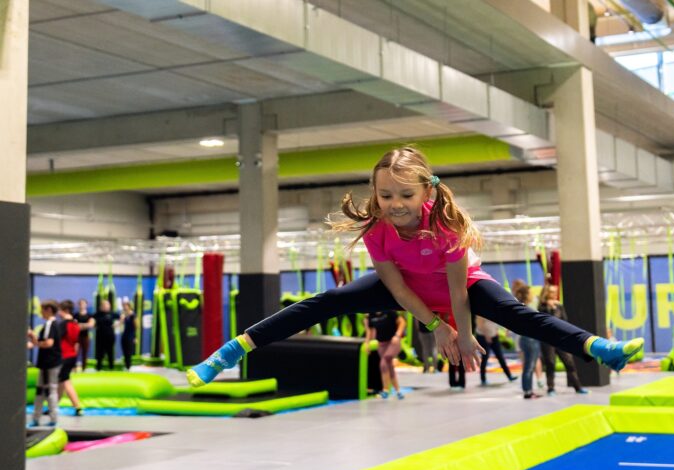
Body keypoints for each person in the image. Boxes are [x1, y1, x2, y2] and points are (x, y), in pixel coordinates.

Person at [188, 146, 644, 387]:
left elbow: (458, 292)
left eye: (406, 196)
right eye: (386, 196)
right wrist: (434, 327)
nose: (395, 205)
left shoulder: (445, 225)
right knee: (326, 301)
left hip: (461, 286)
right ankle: (231, 352)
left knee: (518, 315)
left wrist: (461, 333)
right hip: (404, 287)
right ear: (376, 194)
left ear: (426, 193)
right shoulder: (378, 228)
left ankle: (600, 349)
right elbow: (396, 288)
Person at [538, 283, 590, 396]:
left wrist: (556, 307)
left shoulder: (559, 306)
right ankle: (551, 388)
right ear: (547, 293)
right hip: (548, 340)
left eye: (555, 292)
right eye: (552, 292)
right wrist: (550, 308)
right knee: (550, 363)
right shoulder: (542, 307)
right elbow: (545, 321)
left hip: (561, 339)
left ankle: (578, 387)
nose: (554, 294)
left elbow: (564, 320)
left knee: (569, 363)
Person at [28, 300, 63, 426]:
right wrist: (33, 337)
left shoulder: (51, 324)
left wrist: (36, 343)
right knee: (40, 391)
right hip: (46, 363)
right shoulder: (49, 325)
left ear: (48, 310)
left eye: (42, 309)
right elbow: (42, 341)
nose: (41, 312)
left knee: (50, 390)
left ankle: (53, 418)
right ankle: (36, 418)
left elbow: (49, 343)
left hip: (50, 364)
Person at [365, 310, 407, 399]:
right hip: (381, 344)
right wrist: (367, 344)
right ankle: (398, 391)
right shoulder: (371, 315)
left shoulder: (389, 312)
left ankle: (385, 390)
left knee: (383, 363)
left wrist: (397, 335)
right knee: (389, 366)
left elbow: (402, 322)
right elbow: (370, 331)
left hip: (393, 343)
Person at [514, 285, 541, 399]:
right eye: (531, 293)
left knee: (529, 365)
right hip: (529, 339)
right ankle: (528, 391)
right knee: (529, 366)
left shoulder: (523, 307)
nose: (533, 295)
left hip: (527, 339)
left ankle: (528, 390)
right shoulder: (527, 308)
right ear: (527, 295)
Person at [57, 300, 83, 416]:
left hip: (64, 355)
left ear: (65, 310)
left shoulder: (63, 324)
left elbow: (55, 341)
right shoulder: (75, 324)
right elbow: (76, 342)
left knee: (65, 381)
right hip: (72, 355)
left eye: (60, 310)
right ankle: (54, 405)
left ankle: (77, 406)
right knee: (61, 382)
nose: (58, 313)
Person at [475, 315, 517, 385]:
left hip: (494, 336)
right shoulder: (482, 310)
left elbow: (495, 322)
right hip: (483, 336)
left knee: (500, 356)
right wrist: (487, 336)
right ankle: (483, 379)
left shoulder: (493, 308)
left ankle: (509, 376)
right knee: (485, 357)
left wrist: (497, 331)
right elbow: (480, 324)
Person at [93, 300, 120, 371]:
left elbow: (121, 317)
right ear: (101, 306)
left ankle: (111, 367)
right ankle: (98, 368)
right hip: (100, 336)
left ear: (109, 306)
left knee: (110, 352)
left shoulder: (112, 313)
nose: (105, 306)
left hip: (110, 336)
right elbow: (91, 321)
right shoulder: (97, 314)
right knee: (99, 352)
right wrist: (93, 325)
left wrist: (117, 324)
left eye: (107, 305)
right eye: (104, 305)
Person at [74, 298, 95, 372]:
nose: (82, 305)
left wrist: (80, 325)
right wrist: (85, 325)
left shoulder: (89, 315)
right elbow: (74, 326)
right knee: (75, 352)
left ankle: (84, 368)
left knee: (84, 353)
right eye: (80, 303)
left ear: (86, 305)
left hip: (85, 336)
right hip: (76, 337)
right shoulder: (75, 315)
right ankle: (74, 368)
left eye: (83, 303)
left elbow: (91, 325)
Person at [120, 300, 138, 370]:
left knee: (129, 351)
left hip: (130, 335)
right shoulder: (123, 315)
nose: (124, 307)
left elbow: (136, 326)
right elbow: (120, 323)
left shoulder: (133, 315)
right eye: (123, 306)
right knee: (124, 350)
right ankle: (126, 365)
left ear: (129, 306)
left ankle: (129, 366)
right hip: (124, 334)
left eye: (126, 306)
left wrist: (135, 337)